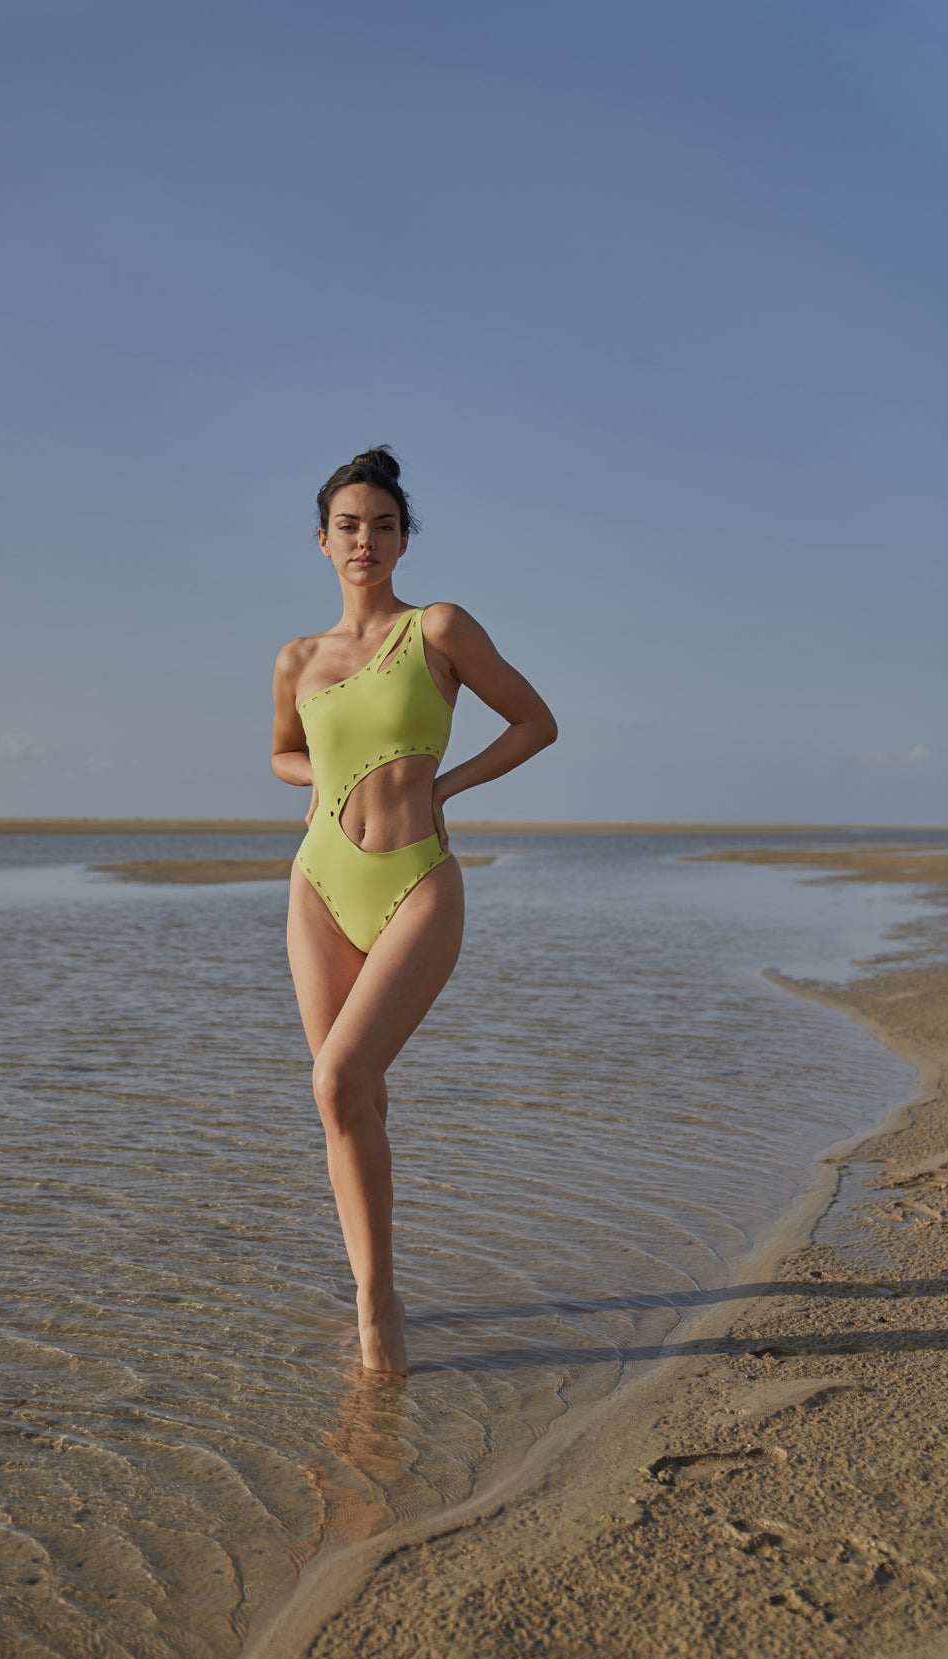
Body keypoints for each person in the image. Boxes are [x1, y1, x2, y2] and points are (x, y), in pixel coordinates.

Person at [271, 447, 557, 1376]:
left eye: (383, 526)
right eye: (349, 527)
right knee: (351, 1099)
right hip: (318, 886)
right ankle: (375, 1292)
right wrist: (323, 781)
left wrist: (446, 787)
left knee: (335, 1080)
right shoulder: (299, 659)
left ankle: (376, 1308)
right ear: (322, 542)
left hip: (416, 882)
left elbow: (533, 720)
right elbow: (282, 755)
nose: (366, 541)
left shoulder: (435, 628)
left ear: (402, 539)